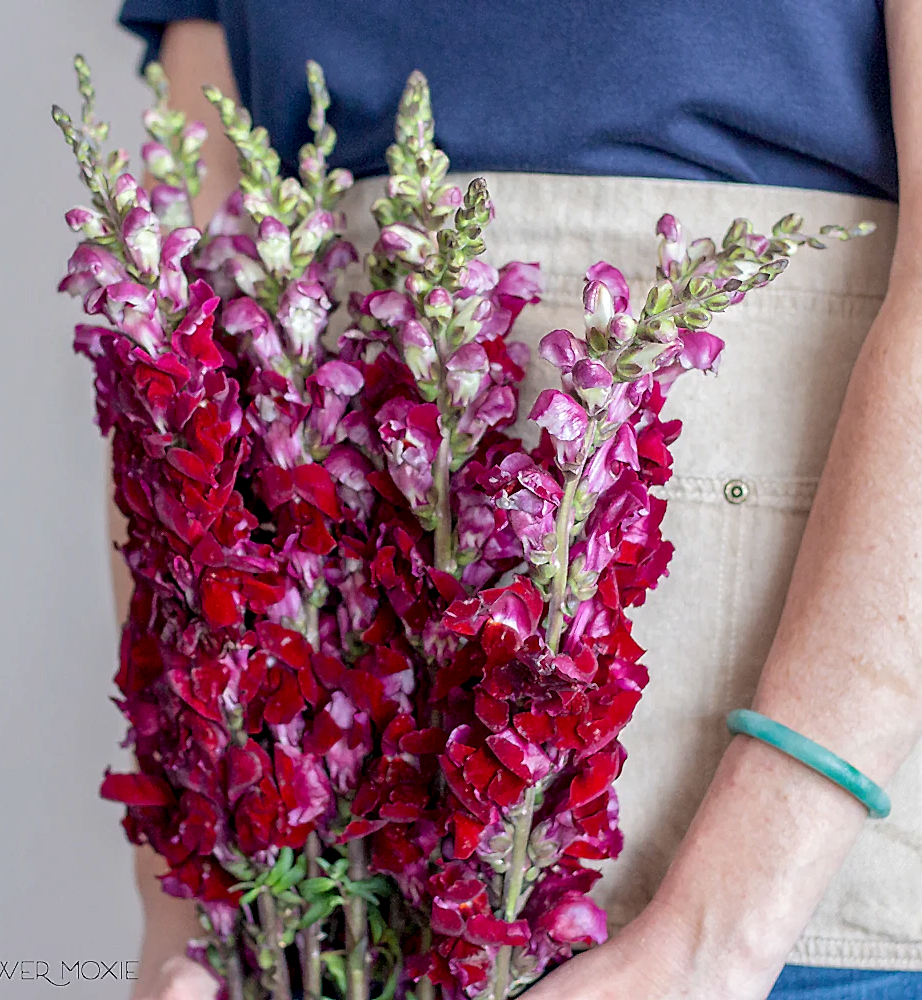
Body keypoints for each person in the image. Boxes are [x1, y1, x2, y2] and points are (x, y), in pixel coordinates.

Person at [110, 4, 922, 999]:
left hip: (777, 884)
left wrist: (721, 932)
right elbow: (173, 366)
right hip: (338, 882)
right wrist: (186, 911)